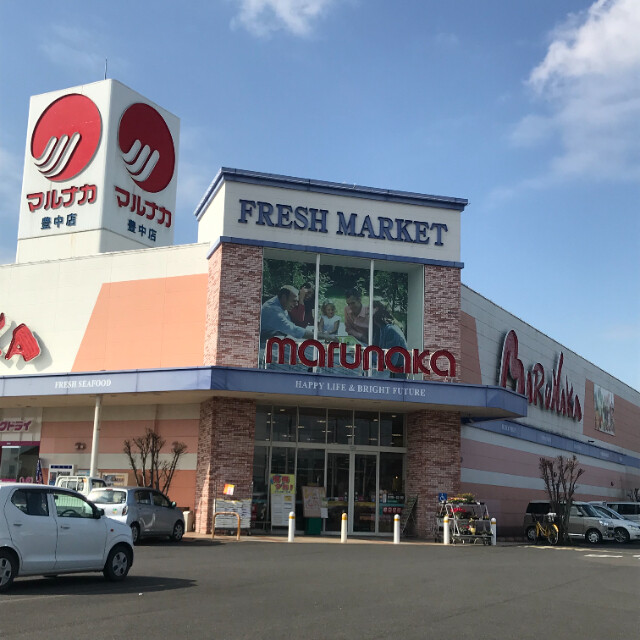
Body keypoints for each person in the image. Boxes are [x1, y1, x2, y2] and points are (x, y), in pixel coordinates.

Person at [372, 300, 408, 378]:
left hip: (396, 374)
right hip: (391, 371)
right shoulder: (382, 329)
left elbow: (391, 360)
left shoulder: (391, 330)